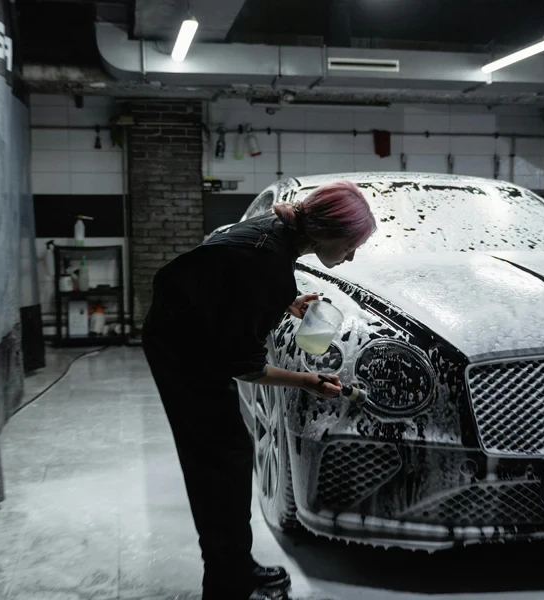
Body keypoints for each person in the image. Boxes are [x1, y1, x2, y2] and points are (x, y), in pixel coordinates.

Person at [141, 181, 376, 600]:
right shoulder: (265, 263)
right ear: (323, 232)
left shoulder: (277, 231)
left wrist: (285, 300)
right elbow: (245, 367)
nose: (351, 255)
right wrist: (308, 381)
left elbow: (230, 275)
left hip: (185, 322)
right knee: (218, 465)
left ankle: (236, 565)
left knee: (229, 456)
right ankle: (226, 583)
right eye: (350, 244)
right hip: (184, 349)